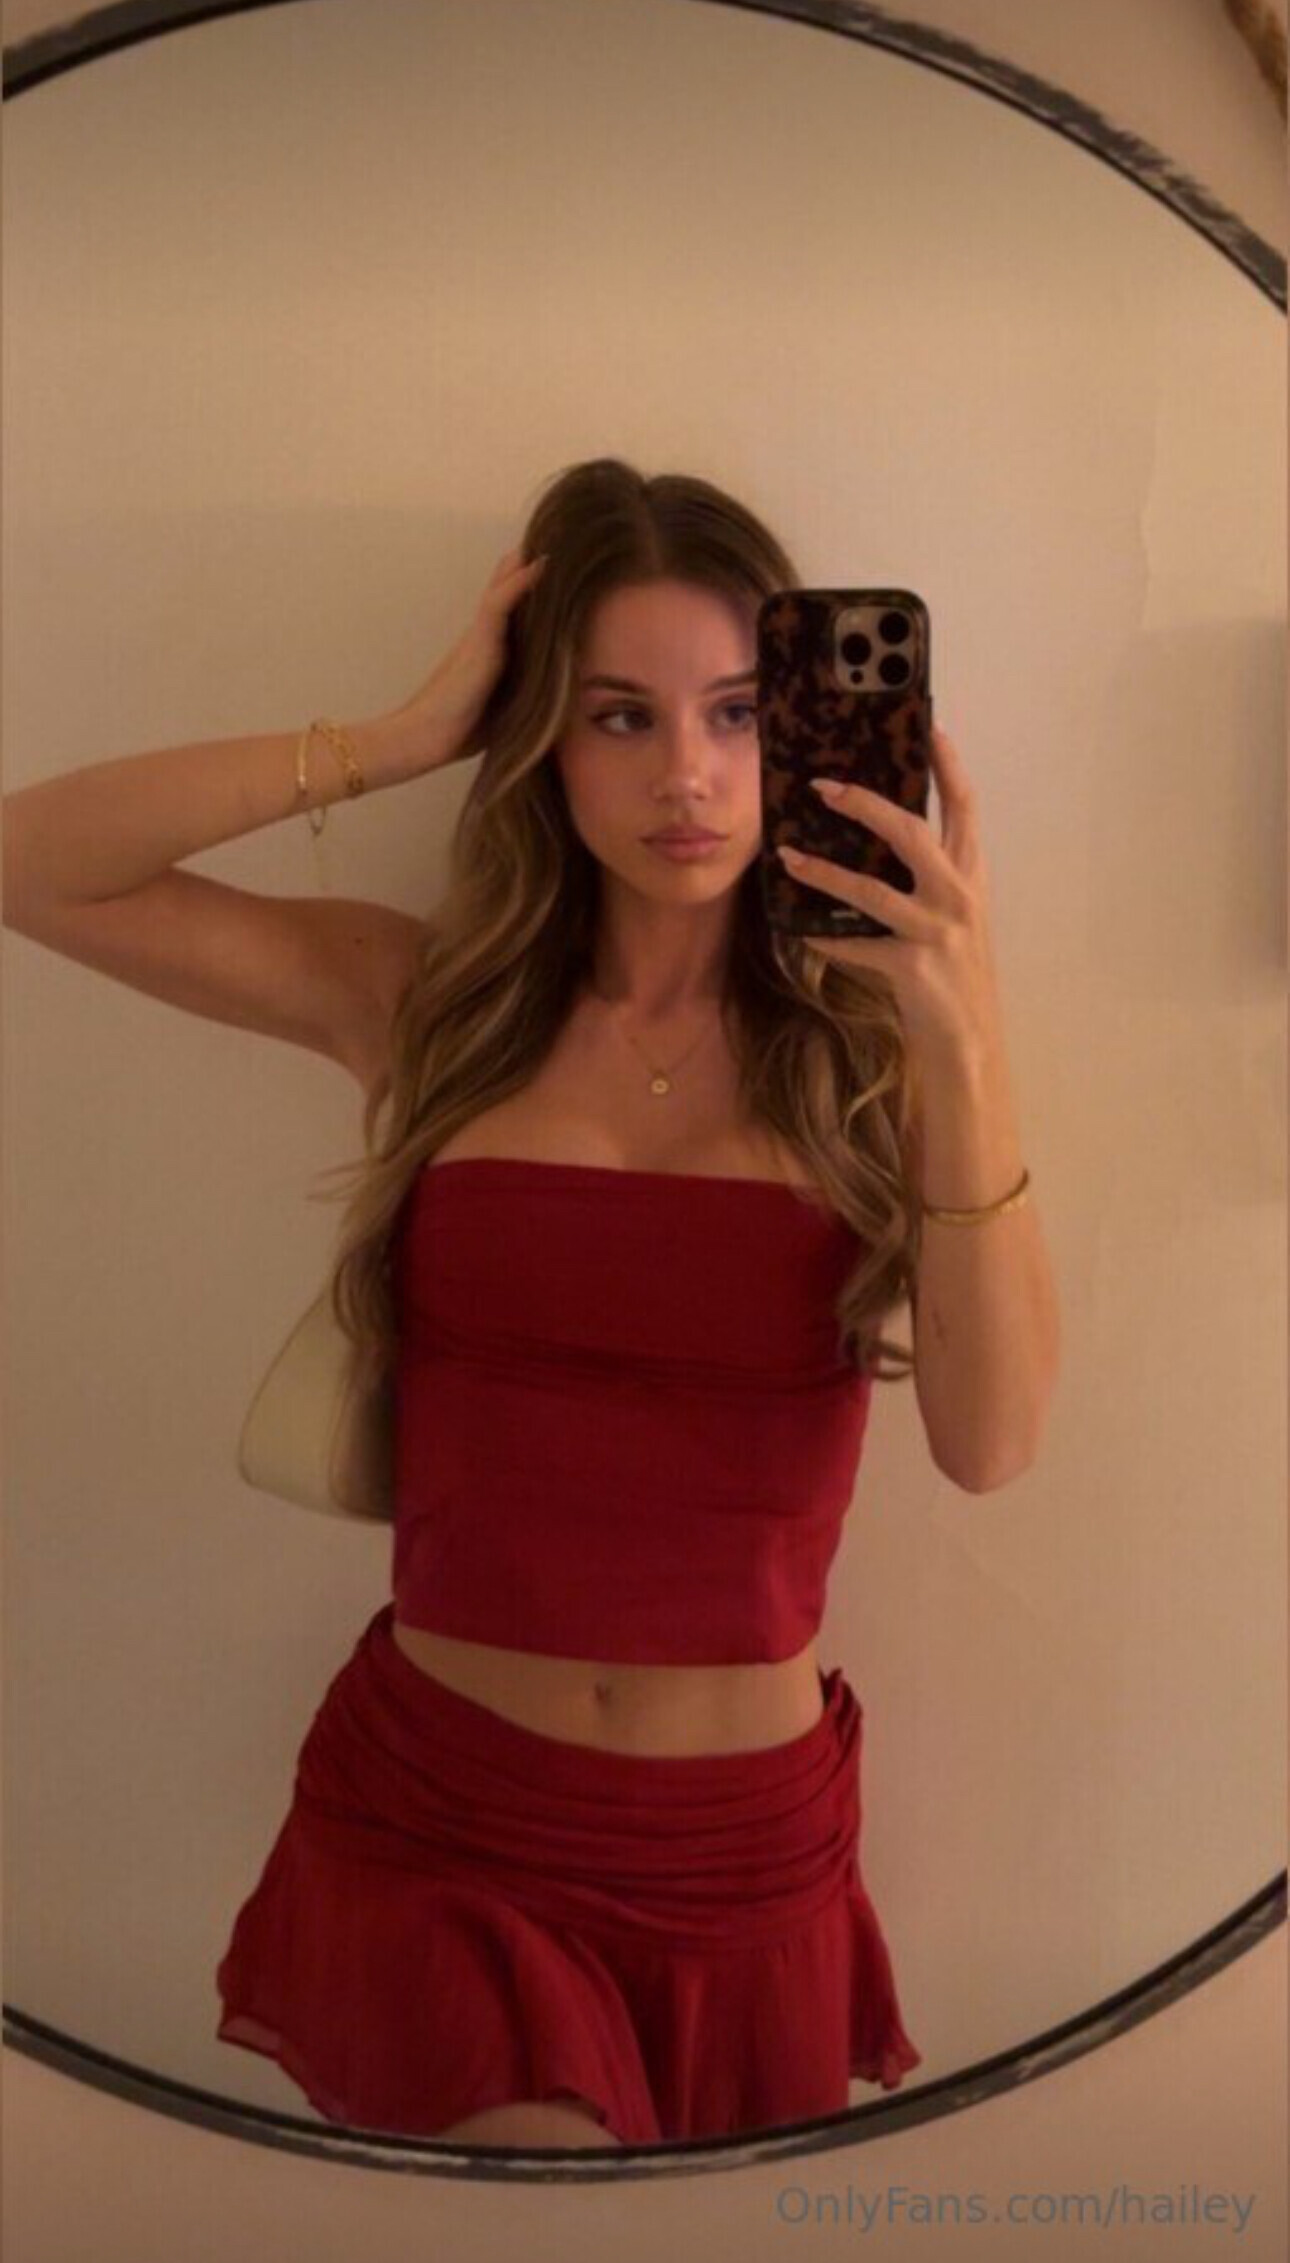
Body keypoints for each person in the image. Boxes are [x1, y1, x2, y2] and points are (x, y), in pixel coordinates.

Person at [4, 457, 940, 2149]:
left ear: (803, 729)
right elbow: (32, 864)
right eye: (617, 715)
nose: (686, 774)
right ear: (540, 740)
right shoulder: (432, 1003)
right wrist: (391, 739)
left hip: (736, 1847)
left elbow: (995, 1438)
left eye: (737, 712)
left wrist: (966, 1014)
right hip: (443, 1816)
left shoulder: (870, 1059)